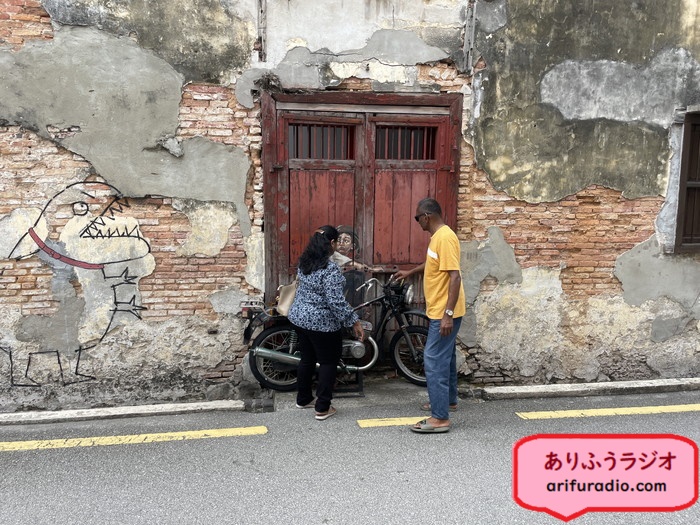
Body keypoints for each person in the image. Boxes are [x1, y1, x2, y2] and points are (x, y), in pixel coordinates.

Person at [395, 198, 466, 433]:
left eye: (418, 218)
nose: (417, 222)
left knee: (433, 360)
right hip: (442, 309)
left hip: (444, 311)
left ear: (427, 216)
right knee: (446, 357)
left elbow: (455, 276)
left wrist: (447, 314)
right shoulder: (438, 238)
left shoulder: (444, 238)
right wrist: (410, 272)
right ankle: (448, 402)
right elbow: (433, 264)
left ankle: (440, 418)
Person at [287, 225, 364, 421]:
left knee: (307, 359)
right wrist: (353, 321)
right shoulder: (330, 270)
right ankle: (322, 407)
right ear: (331, 243)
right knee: (328, 362)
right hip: (321, 323)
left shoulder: (304, 263)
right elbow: (335, 301)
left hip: (299, 318)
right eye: (337, 242)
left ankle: (304, 399)